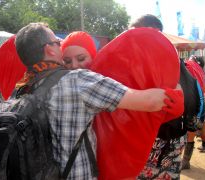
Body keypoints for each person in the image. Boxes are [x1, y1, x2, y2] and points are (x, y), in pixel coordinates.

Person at [14, 22, 184, 179]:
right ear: (50, 50)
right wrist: (174, 94)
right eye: (66, 59)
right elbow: (150, 102)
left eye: (81, 59)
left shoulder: (23, 87)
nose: (74, 66)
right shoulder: (80, 81)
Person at [130, 14, 204, 179]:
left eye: (134, 36)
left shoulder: (154, 64)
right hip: (172, 140)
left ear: (153, 33)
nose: (130, 41)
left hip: (157, 141)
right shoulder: (177, 64)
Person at [181, 55, 205, 169]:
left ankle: (186, 161)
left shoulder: (188, 65)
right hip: (200, 96)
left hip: (193, 98)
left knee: (192, 126)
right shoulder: (200, 71)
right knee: (199, 123)